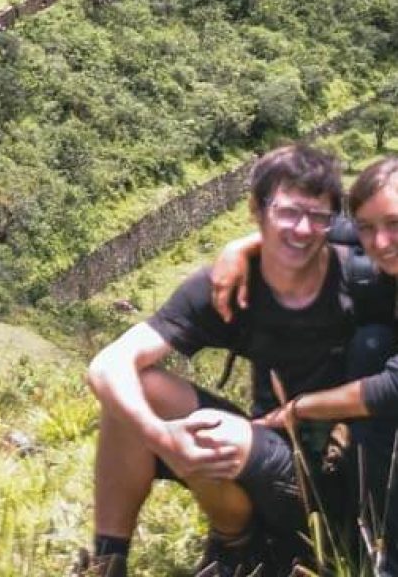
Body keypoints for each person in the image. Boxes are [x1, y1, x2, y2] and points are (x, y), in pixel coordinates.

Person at [83, 143, 393, 577]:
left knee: (224, 436)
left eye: (317, 217)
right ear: (256, 210)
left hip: (333, 480)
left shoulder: (366, 280)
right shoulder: (227, 286)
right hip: (265, 441)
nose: (302, 230)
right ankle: (106, 561)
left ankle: (238, 545)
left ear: (331, 223)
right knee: (137, 389)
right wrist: (160, 435)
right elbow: (107, 363)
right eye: (286, 212)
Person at [212, 156, 398, 576]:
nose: (382, 241)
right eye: (370, 228)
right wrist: (240, 246)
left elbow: (390, 390)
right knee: (372, 344)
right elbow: (321, 229)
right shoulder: (371, 241)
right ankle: (367, 527)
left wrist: (298, 408)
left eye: (395, 224)